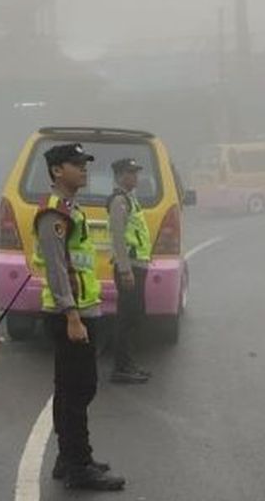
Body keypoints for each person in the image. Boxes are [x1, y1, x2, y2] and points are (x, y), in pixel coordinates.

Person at [32, 143, 126, 491]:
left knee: (71, 390)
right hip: (69, 313)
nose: (84, 169)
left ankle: (67, 457)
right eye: (76, 164)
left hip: (81, 308)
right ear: (57, 170)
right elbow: (57, 269)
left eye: (85, 163)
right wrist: (72, 315)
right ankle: (79, 465)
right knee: (79, 389)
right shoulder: (55, 213)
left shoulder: (71, 208)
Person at [107, 158, 152, 385]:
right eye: (131, 173)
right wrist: (125, 270)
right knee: (126, 318)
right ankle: (121, 367)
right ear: (120, 176)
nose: (135, 177)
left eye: (136, 172)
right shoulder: (119, 201)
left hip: (138, 265)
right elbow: (118, 238)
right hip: (129, 267)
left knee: (134, 315)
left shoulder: (130, 199)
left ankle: (128, 363)